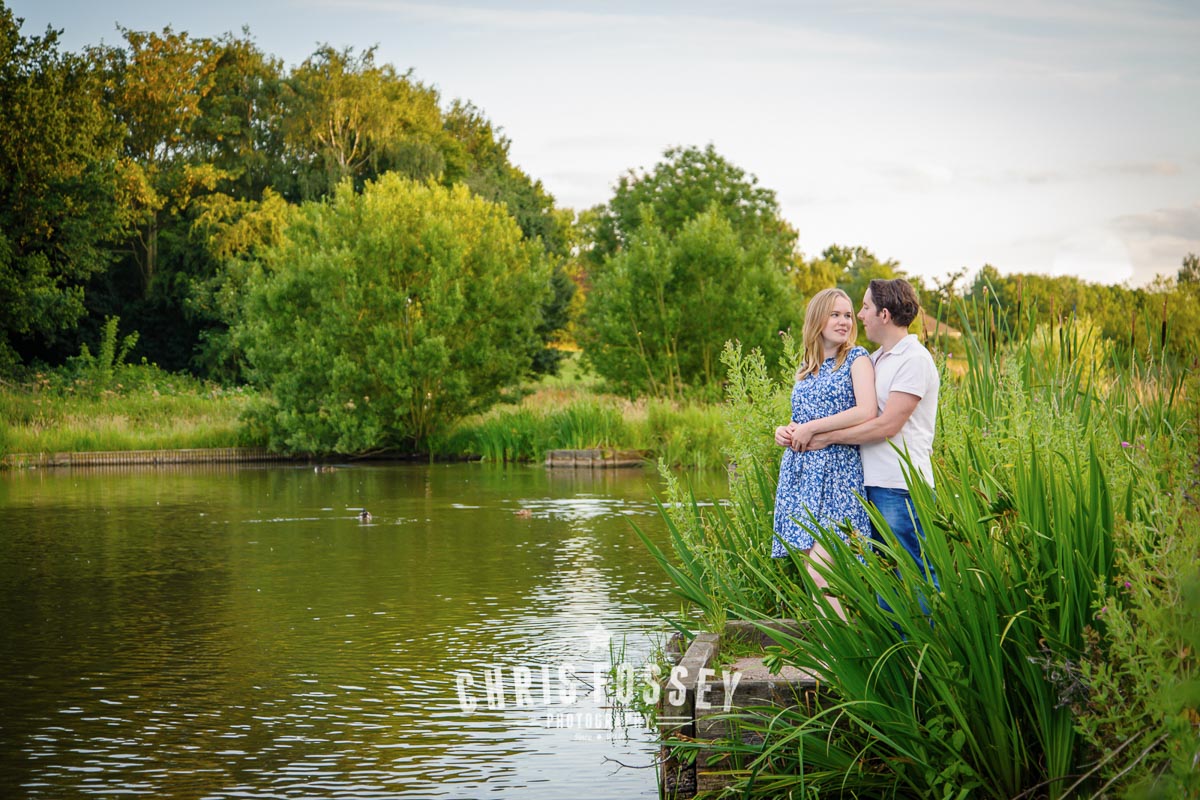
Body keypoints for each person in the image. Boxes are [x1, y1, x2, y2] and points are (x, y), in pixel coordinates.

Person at [806, 278, 940, 587]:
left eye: (866, 308)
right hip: (871, 483)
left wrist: (826, 438)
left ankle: (925, 623)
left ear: (885, 315)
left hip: (901, 486)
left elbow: (887, 426)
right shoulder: (876, 359)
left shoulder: (914, 360)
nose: (860, 315)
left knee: (915, 574)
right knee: (887, 579)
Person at [772, 288, 877, 619]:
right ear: (817, 319)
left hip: (839, 476)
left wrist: (813, 428)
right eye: (835, 315)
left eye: (848, 315)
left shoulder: (857, 359)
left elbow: (866, 411)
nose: (844, 321)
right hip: (803, 477)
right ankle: (833, 645)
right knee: (814, 573)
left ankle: (841, 646)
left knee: (821, 572)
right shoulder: (805, 367)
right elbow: (801, 419)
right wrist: (785, 431)